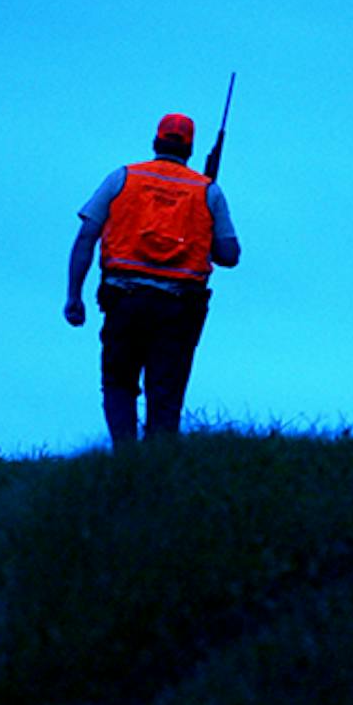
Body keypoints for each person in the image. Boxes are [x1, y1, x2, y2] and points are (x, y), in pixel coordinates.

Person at [65, 112, 241, 451]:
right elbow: (229, 255)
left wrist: (74, 295)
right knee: (167, 389)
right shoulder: (208, 191)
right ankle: (159, 466)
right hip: (179, 307)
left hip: (123, 299)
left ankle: (125, 460)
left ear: (155, 141)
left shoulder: (123, 178)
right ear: (190, 149)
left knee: (119, 382)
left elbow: (86, 236)